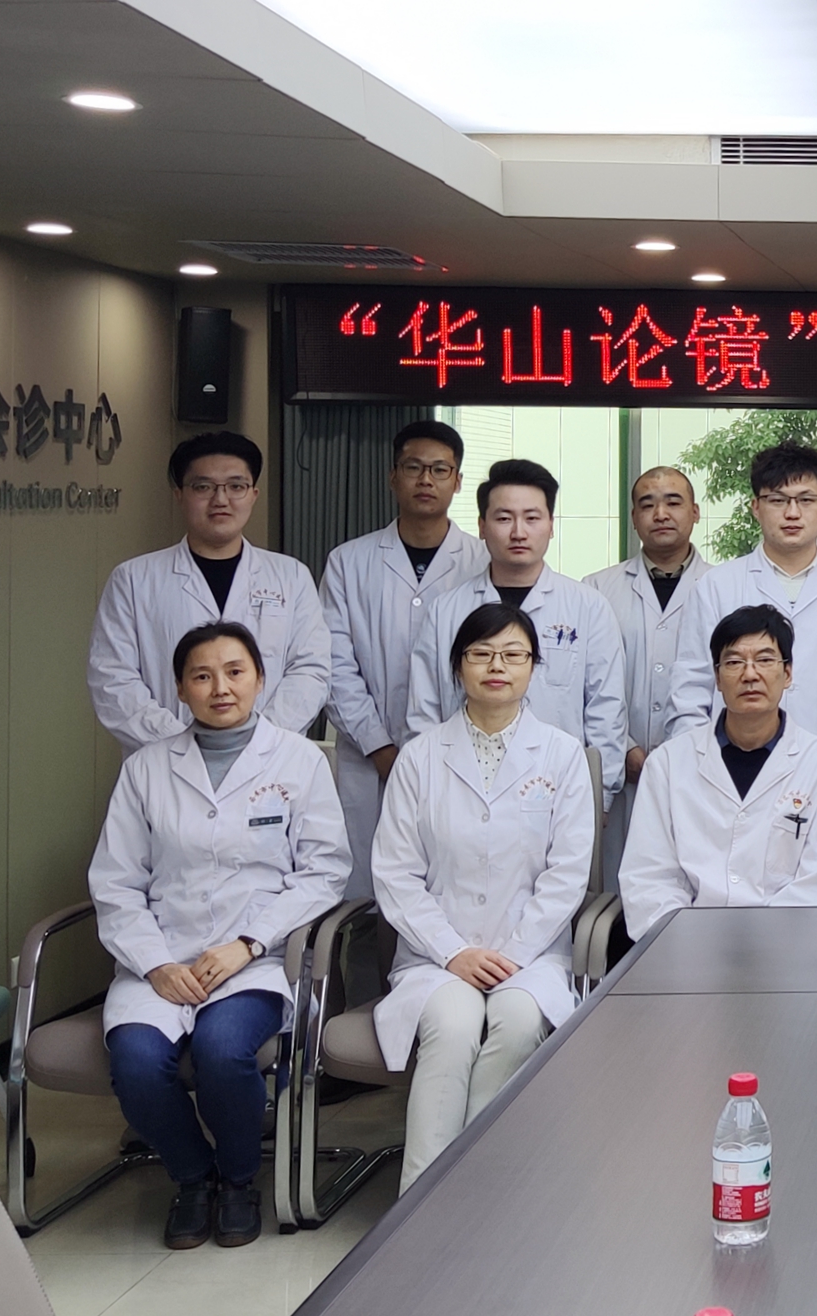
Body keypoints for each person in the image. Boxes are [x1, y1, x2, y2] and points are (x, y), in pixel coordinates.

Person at [87, 622, 347, 1251]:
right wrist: (155, 964)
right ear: (181, 689)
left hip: (256, 959)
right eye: (202, 676)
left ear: (260, 678)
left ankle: (236, 1179)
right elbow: (116, 882)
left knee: (223, 1049)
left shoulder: (299, 761)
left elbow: (324, 871)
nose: (220, 688)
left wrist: (249, 943)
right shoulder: (146, 769)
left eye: (235, 672)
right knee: (137, 1062)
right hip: (162, 957)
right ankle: (191, 1176)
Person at [370, 603, 591, 1190]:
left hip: (531, 957)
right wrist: (453, 952)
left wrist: (513, 954)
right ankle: (420, 1202)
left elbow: (567, 873)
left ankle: (470, 1189)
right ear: (457, 665)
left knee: (517, 1023)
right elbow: (395, 873)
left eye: (514, 654)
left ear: (533, 666)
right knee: (453, 1024)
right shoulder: (420, 758)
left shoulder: (562, 755)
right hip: (435, 958)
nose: (498, 666)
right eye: (481, 654)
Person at [664, 441, 817, 880]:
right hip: (728, 770)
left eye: (805, 500)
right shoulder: (717, 587)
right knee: (729, 880)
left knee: (815, 887)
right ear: (755, 507)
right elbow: (691, 689)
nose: (792, 513)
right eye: (777, 500)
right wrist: (694, 774)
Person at [319, 421, 488, 899]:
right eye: (413, 468)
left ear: (458, 481)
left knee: (452, 889)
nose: (426, 480)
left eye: (440, 469)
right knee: (365, 897)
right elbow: (333, 662)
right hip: (366, 759)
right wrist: (379, 747)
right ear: (393, 476)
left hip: (461, 758)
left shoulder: (482, 562)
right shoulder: (348, 562)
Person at [621, 605, 817, 931]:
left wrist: (758, 947)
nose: (750, 675)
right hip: (686, 946)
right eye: (734, 662)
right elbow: (648, 880)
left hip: (785, 947)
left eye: (765, 660)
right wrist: (686, 944)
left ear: (787, 674)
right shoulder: (667, 765)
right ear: (717, 678)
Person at [89, 431, 330, 752]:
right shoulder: (133, 580)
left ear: (254, 494)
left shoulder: (291, 576)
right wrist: (182, 745)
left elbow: (310, 669)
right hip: (164, 760)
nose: (221, 499)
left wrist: (258, 740)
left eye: (236, 486)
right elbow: (112, 678)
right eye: (203, 487)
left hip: (269, 758)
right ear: (179, 494)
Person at [406, 461, 627, 810]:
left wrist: (601, 796)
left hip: (560, 793)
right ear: (482, 526)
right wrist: (426, 790)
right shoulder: (447, 610)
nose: (518, 532)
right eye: (504, 518)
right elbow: (424, 711)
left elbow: (606, 711)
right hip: (458, 793)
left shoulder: (588, 607)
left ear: (551, 525)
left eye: (532, 518)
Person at [585, 465, 711, 875]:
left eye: (673, 502)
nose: (661, 514)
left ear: (695, 512)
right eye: (647, 504)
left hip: (701, 768)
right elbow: (588, 685)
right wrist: (624, 749)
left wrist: (683, 751)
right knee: (615, 885)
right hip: (620, 770)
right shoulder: (597, 590)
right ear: (634, 518)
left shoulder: (724, 587)